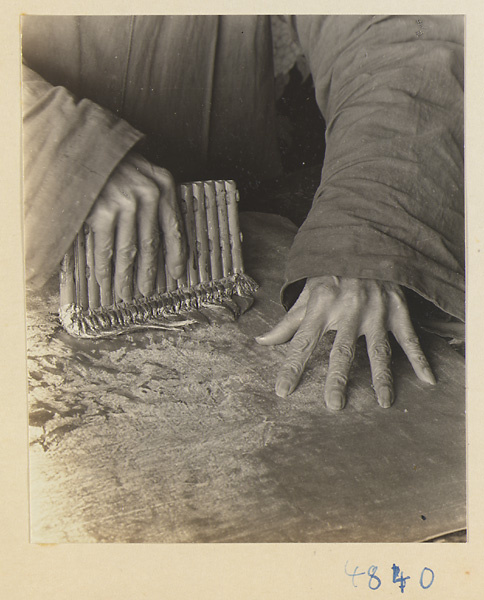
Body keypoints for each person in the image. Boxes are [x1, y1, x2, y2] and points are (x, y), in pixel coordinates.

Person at [22, 15, 464, 410]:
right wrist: (66, 151)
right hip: (30, 216)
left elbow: (401, 32)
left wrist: (371, 226)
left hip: (228, 240)